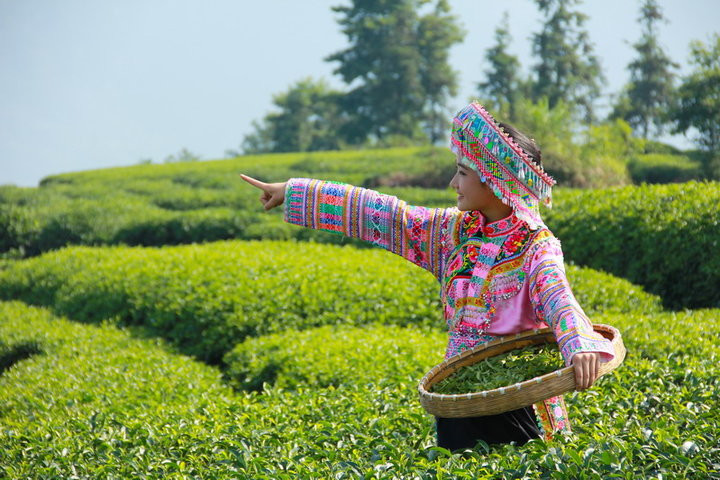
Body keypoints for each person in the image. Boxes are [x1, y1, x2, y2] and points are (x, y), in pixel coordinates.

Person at [240, 102, 616, 451]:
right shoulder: (454, 232)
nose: (454, 183)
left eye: (463, 173)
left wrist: (578, 344)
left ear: (494, 181)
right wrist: (294, 191)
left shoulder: (536, 244)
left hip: (518, 397)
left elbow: (557, 296)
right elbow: (388, 215)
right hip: (458, 395)